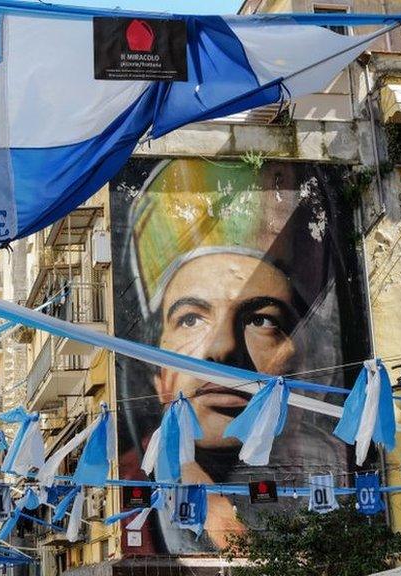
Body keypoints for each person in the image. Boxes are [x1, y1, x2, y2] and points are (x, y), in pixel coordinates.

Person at [114, 158, 356, 553]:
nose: (223, 347)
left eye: (261, 319)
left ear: (310, 359)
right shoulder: (126, 481)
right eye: (190, 319)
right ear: (157, 373)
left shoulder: (340, 471)